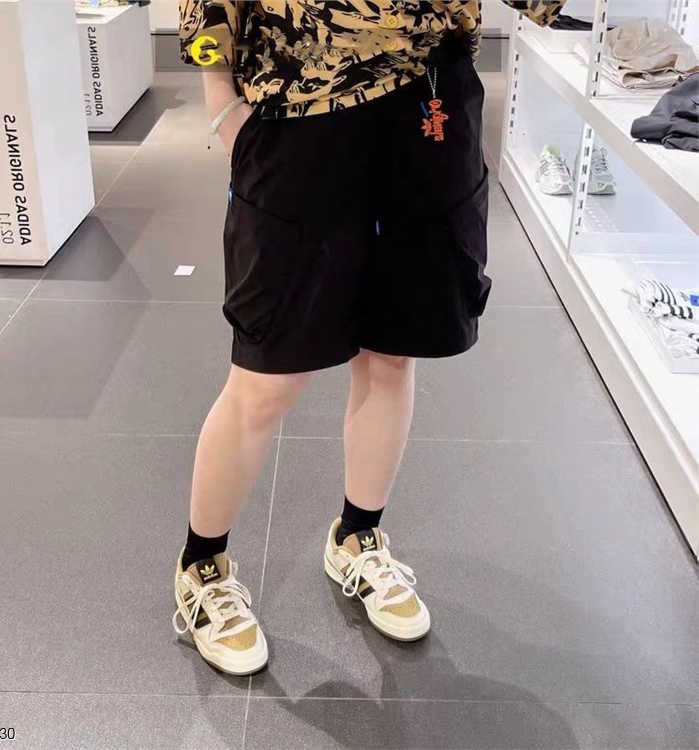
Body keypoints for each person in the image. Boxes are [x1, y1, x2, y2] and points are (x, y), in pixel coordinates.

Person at [173, 0, 566, 676]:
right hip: (298, 105)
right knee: (267, 375)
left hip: (429, 105)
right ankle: (201, 567)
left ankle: (358, 535)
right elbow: (203, 13)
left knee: (392, 352)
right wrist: (219, 100)